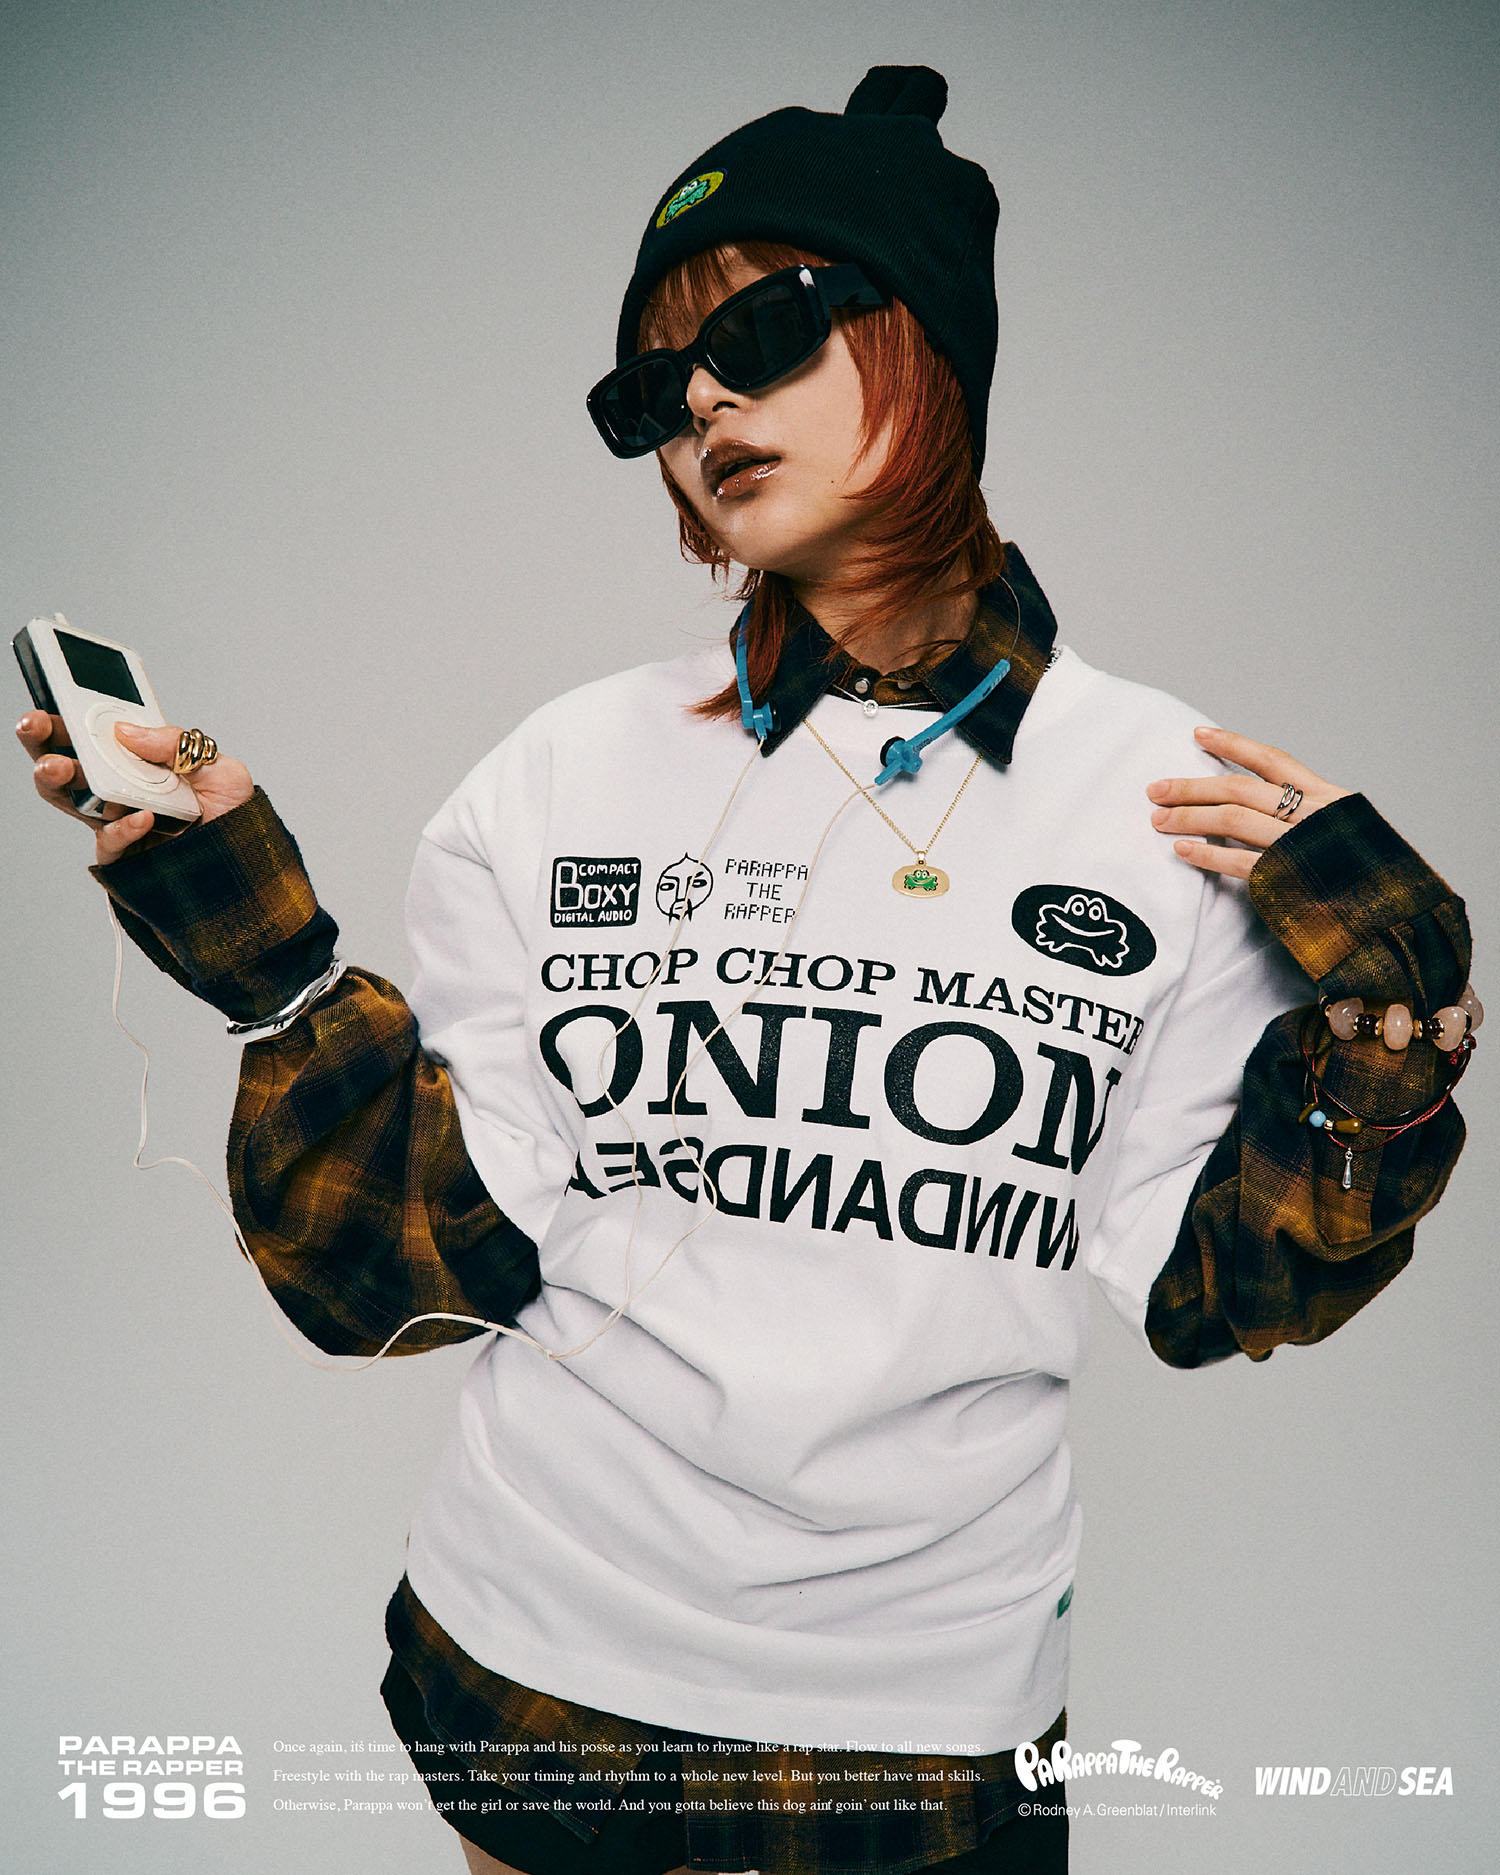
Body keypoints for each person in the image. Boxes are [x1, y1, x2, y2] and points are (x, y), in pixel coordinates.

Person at [18, 65, 1475, 1875]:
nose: (702, 400)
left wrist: (1387, 1025)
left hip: (926, 1713)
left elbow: (1221, 1287)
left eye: (759, 331)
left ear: (930, 340)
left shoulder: (1170, 799)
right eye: (654, 388)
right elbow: (417, 1268)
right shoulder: (556, 778)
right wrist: (265, 956)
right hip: (543, 1658)